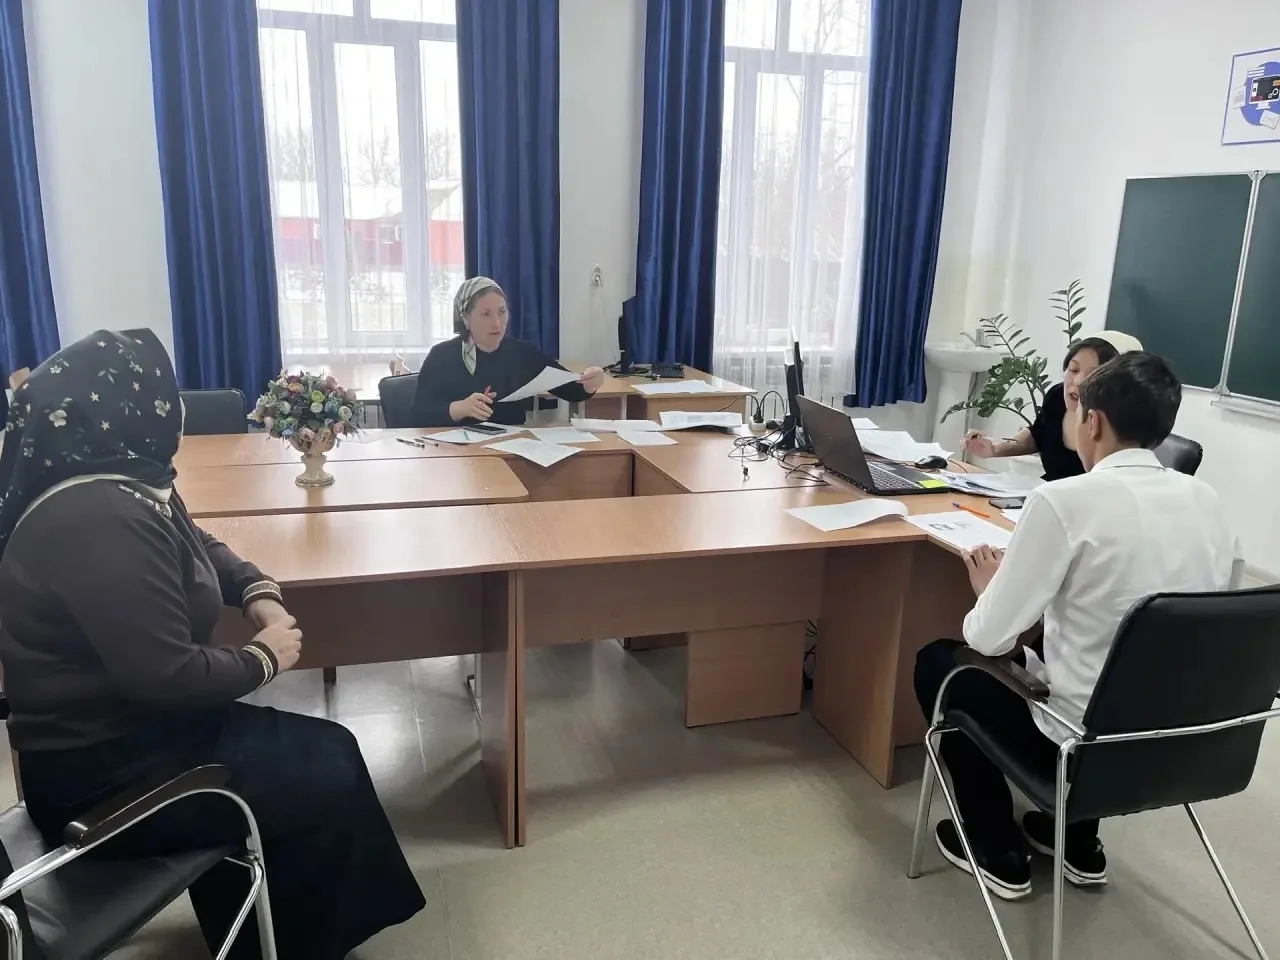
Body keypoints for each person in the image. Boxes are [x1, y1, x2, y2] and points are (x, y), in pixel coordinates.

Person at [0, 330, 425, 959]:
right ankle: (301, 946)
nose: (173, 408)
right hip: (104, 773)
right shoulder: (95, 518)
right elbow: (166, 676)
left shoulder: (121, 480)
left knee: (318, 750)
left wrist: (255, 589)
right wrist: (262, 658)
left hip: (137, 732)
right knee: (326, 761)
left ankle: (273, 932)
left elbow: (198, 544)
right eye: (163, 394)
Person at [915, 352, 1242, 901]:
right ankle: (1075, 840)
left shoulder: (1063, 500)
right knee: (1109, 661)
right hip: (1185, 748)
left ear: (1092, 422)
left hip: (1080, 752)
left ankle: (993, 844)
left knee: (941, 664)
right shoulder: (1208, 502)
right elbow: (1219, 616)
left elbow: (988, 639)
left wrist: (990, 588)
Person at [412, 276, 607, 426]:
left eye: (502, 312)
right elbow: (418, 415)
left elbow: (572, 390)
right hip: (459, 455)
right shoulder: (441, 356)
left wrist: (591, 383)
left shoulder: (523, 353)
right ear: (465, 319)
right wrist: (460, 408)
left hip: (511, 449)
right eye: (485, 314)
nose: (497, 324)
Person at [963, 335, 1135, 481]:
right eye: (1073, 369)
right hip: (1047, 493)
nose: (1077, 381)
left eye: (1091, 374)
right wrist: (995, 448)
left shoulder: (1115, 423)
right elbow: (1038, 434)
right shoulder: (1057, 396)